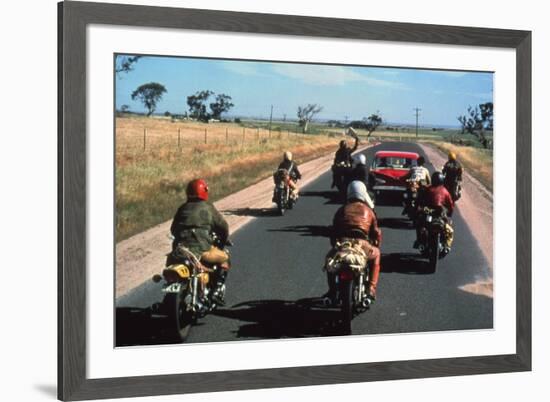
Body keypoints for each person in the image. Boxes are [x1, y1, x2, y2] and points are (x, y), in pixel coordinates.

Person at [168, 178, 231, 304]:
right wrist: (223, 240)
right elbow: (223, 227)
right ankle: (216, 290)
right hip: (201, 249)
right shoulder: (208, 207)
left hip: (180, 251)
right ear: (204, 191)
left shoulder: (182, 208)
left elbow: (173, 229)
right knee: (225, 258)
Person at [328, 180, 381, 301]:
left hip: (343, 244)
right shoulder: (369, 211)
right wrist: (377, 243)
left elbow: (333, 230)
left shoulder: (342, 210)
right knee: (377, 254)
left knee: (329, 261)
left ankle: (332, 291)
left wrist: (334, 245)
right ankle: (371, 288)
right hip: (362, 244)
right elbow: (376, 232)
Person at [414, 172, 454, 251]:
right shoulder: (445, 191)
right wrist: (450, 213)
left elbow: (419, 200)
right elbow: (451, 205)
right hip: (439, 213)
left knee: (419, 224)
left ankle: (420, 241)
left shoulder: (428, 188)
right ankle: (447, 246)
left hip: (429, 212)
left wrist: (418, 208)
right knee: (449, 229)